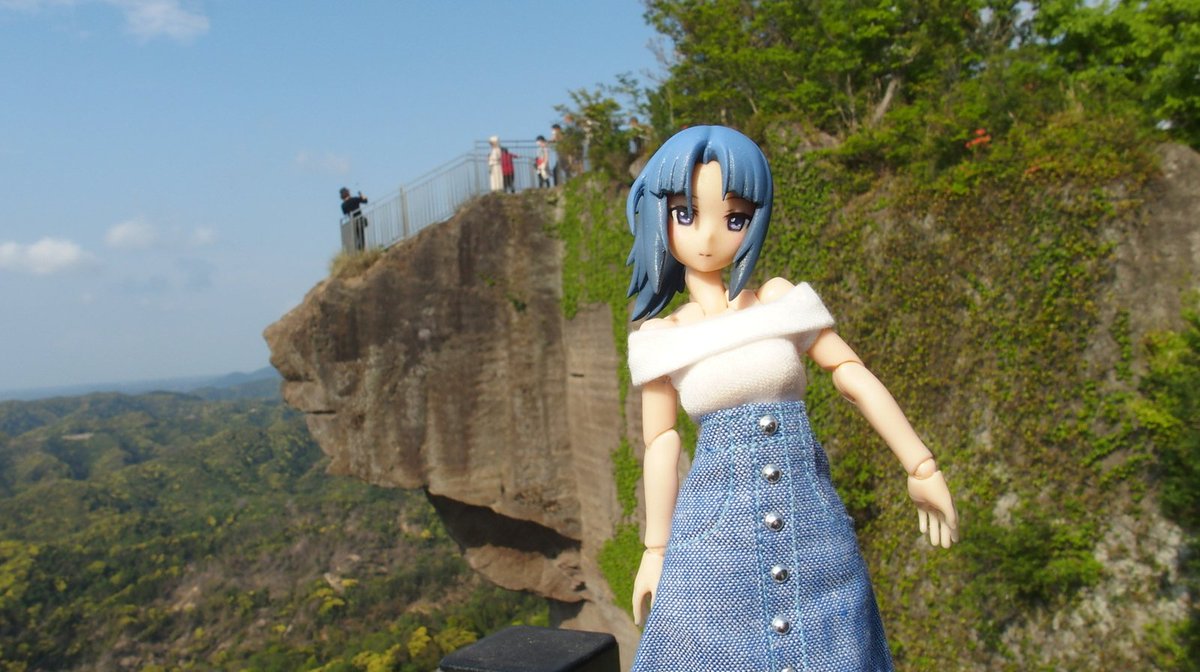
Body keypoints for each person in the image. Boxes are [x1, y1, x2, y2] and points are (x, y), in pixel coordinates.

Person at [625, 126, 959, 672]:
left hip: (815, 533)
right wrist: (655, 550)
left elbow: (851, 374)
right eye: (686, 214)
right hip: (712, 544)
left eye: (734, 218)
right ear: (658, 216)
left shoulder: (778, 301)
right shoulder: (663, 337)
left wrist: (920, 465)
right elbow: (661, 444)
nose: (709, 236)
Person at [339, 187, 368, 251]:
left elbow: (345, 212)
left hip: (352, 223)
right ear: (348, 193)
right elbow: (365, 201)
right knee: (361, 237)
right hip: (359, 220)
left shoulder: (343, 205)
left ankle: (359, 251)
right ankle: (362, 251)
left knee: (356, 238)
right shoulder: (354, 199)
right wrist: (362, 195)